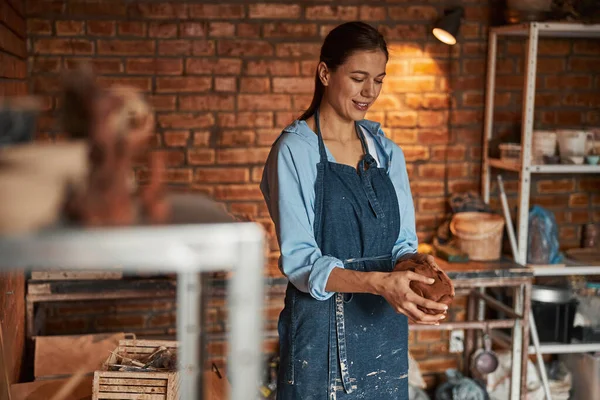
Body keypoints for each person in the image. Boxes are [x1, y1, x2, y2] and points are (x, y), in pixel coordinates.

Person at [260, 21, 448, 399]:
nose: (369, 92)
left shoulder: (387, 152)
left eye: (378, 80)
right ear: (325, 72)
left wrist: (424, 270)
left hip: (384, 334)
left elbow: (402, 247)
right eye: (359, 78)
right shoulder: (295, 151)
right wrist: (380, 284)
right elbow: (301, 263)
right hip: (319, 338)